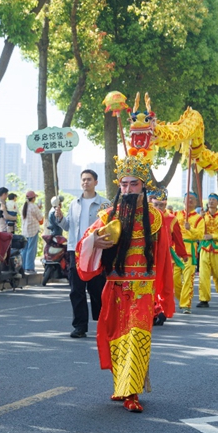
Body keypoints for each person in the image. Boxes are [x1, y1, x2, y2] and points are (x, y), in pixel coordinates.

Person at [76, 155, 174, 413]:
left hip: (142, 290)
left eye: (134, 184)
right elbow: (84, 245)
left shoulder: (155, 218)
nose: (128, 189)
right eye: (124, 185)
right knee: (115, 338)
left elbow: (163, 258)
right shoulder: (107, 215)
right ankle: (122, 385)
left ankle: (132, 392)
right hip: (115, 288)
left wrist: (163, 294)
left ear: (143, 186)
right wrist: (94, 243)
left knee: (136, 337)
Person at [55, 170, 110, 337]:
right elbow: (67, 227)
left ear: (96, 182)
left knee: (97, 289)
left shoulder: (105, 204)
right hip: (76, 251)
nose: (85, 182)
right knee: (76, 290)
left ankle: (103, 324)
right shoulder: (74, 204)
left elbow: (109, 227)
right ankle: (80, 326)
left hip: (97, 250)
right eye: (83, 180)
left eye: (89, 179)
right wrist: (59, 217)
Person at [148, 187, 186, 325]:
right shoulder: (147, 216)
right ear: (151, 203)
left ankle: (162, 309)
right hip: (149, 256)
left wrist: (183, 254)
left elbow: (178, 237)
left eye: (162, 205)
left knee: (165, 285)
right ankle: (152, 310)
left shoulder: (172, 219)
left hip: (165, 256)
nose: (159, 207)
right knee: (150, 284)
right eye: (156, 205)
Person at [197, 194, 218, 308]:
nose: (211, 201)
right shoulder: (203, 216)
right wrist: (199, 219)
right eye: (209, 199)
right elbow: (198, 231)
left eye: (213, 200)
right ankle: (204, 299)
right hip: (205, 248)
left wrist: (212, 236)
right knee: (203, 275)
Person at [175, 192, 205, 314]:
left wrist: (190, 229)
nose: (190, 201)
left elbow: (200, 235)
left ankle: (186, 304)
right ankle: (182, 298)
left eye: (192, 199)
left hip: (190, 251)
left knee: (188, 278)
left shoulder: (199, 218)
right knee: (174, 279)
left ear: (196, 202)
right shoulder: (176, 215)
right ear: (183, 201)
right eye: (187, 199)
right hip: (176, 250)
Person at [20, 190, 43, 274]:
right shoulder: (34, 207)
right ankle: (29, 267)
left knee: (24, 249)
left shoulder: (24, 206)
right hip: (33, 230)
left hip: (25, 231)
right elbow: (41, 219)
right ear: (33, 198)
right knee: (31, 249)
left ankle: (23, 266)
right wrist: (39, 209)